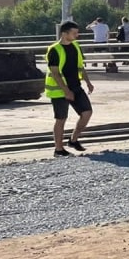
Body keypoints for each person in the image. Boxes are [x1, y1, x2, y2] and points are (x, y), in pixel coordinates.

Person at [45, 21, 96, 157]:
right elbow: (55, 73)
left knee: (87, 113)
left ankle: (73, 140)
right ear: (64, 33)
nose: (77, 35)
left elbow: (81, 66)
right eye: (74, 33)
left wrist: (88, 82)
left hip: (76, 87)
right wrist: (66, 91)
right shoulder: (54, 49)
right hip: (59, 90)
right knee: (61, 119)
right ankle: (58, 149)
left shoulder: (76, 46)